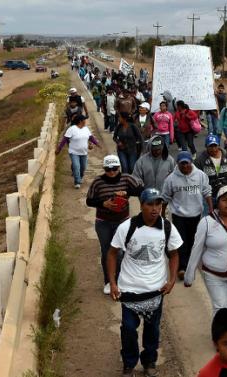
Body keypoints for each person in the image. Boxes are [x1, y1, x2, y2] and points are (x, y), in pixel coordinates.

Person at [107, 188, 182, 377]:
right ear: (141, 205)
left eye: (158, 204)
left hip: (155, 291)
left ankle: (149, 362)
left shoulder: (167, 228)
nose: (155, 208)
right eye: (150, 204)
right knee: (129, 330)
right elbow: (112, 253)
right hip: (129, 289)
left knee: (152, 331)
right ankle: (129, 363)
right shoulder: (127, 227)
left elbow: (174, 254)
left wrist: (172, 280)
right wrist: (113, 283)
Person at [87, 155, 144, 295]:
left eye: (114, 168)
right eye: (108, 169)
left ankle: (121, 279)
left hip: (122, 221)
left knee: (121, 251)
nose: (111, 172)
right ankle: (108, 280)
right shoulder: (97, 182)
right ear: (104, 168)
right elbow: (89, 201)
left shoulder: (126, 178)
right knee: (107, 251)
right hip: (103, 222)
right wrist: (103, 203)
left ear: (119, 167)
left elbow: (142, 189)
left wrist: (127, 192)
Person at [162, 151, 213, 278]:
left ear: (191, 162)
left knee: (193, 241)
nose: (185, 166)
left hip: (196, 215)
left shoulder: (200, 175)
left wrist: (211, 209)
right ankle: (182, 268)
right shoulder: (171, 179)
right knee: (181, 242)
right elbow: (165, 198)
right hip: (179, 215)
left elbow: (207, 192)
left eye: (187, 163)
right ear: (178, 164)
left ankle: (189, 265)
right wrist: (162, 215)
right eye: (182, 164)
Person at [56, 114, 101, 189]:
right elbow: (65, 140)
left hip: (84, 152)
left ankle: (80, 177)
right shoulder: (72, 129)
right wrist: (59, 149)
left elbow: (91, 137)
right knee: (76, 166)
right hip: (74, 152)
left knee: (83, 167)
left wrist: (97, 144)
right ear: (80, 121)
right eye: (84, 120)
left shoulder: (86, 129)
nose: (85, 121)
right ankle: (77, 182)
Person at [194, 135, 227, 204]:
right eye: (211, 146)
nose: (213, 149)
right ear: (206, 146)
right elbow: (196, 180)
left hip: (226, 196)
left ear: (219, 145)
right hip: (208, 198)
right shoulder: (199, 160)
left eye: (215, 146)